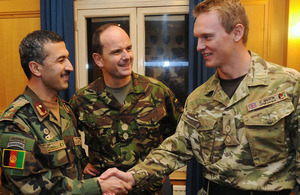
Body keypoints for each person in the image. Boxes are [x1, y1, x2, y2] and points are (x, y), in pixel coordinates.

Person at [100, 0, 300, 194]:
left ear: (236, 33)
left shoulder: (288, 85)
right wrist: (133, 176)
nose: (199, 46)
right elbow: (176, 148)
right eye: (197, 38)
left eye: (207, 37)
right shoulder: (199, 98)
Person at [0, 30, 131, 194]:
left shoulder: (66, 109)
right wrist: (96, 187)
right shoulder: (15, 121)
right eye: (61, 60)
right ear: (36, 68)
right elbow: (30, 185)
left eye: (67, 58)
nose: (70, 67)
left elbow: (74, 166)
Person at [69, 23, 183, 194]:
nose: (126, 56)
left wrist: (162, 166)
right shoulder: (83, 99)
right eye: (116, 52)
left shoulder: (157, 91)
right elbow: (65, 135)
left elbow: (181, 134)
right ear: (99, 59)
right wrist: (81, 160)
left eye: (128, 48)